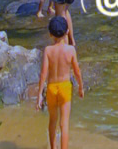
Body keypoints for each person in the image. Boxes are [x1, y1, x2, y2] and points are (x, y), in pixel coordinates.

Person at [37, 14, 83, 149]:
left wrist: (40, 94)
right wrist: (81, 87)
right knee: (64, 124)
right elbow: (77, 71)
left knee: (52, 121)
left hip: (51, 88)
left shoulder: (48, 50)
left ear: (50, 34)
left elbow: (43, 74)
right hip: (64, 88)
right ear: (67, 32)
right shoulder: (70, 50)